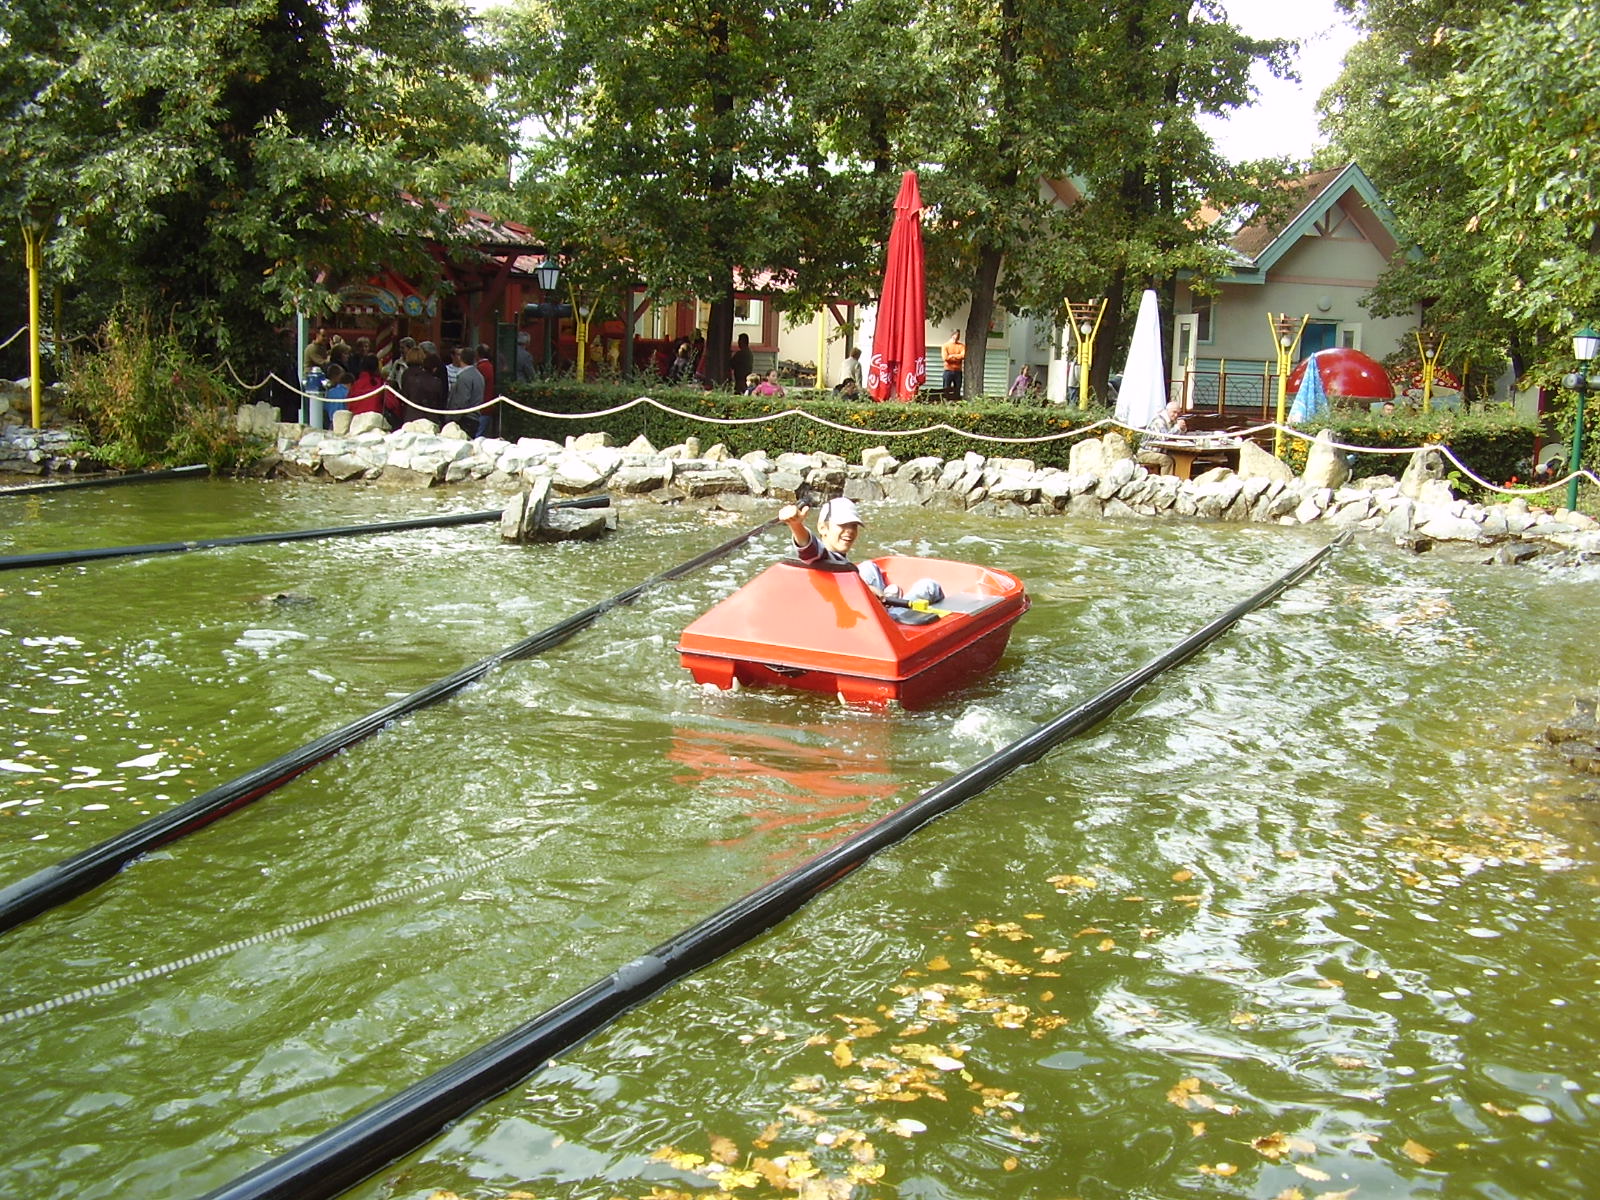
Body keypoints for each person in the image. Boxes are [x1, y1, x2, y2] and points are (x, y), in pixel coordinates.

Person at [778, 497, 943, 610]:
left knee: (868, 567)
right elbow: (808, 549)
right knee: (929, 586)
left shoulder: (835, 561)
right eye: (843, 525)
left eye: (853, 526)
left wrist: (865, 589)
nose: (850, 531)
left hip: (851, 601)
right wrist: (796, 526)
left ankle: (887, 596)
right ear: (822, 528)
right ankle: (891, 604)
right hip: (876, 622)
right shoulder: (822, 558)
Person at [447, 345, 485, 436]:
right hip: (474, 418)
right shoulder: (479, 375)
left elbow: (462, 401)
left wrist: (452, 419)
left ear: (461, 358)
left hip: (464, 420)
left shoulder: (464, 377)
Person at [941, 330, 966, 401]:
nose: (958, 337)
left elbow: (963, 356)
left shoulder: (961, 346)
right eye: (956, 335)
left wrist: (952, 356)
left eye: (959, 336)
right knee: (946, 388)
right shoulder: (945, 346)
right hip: (948, 370)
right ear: (952, 335)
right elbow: (945, 358)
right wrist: (957, 357)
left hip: (958, 371)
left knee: (957, 388)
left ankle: (956, 402)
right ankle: (946, 402)